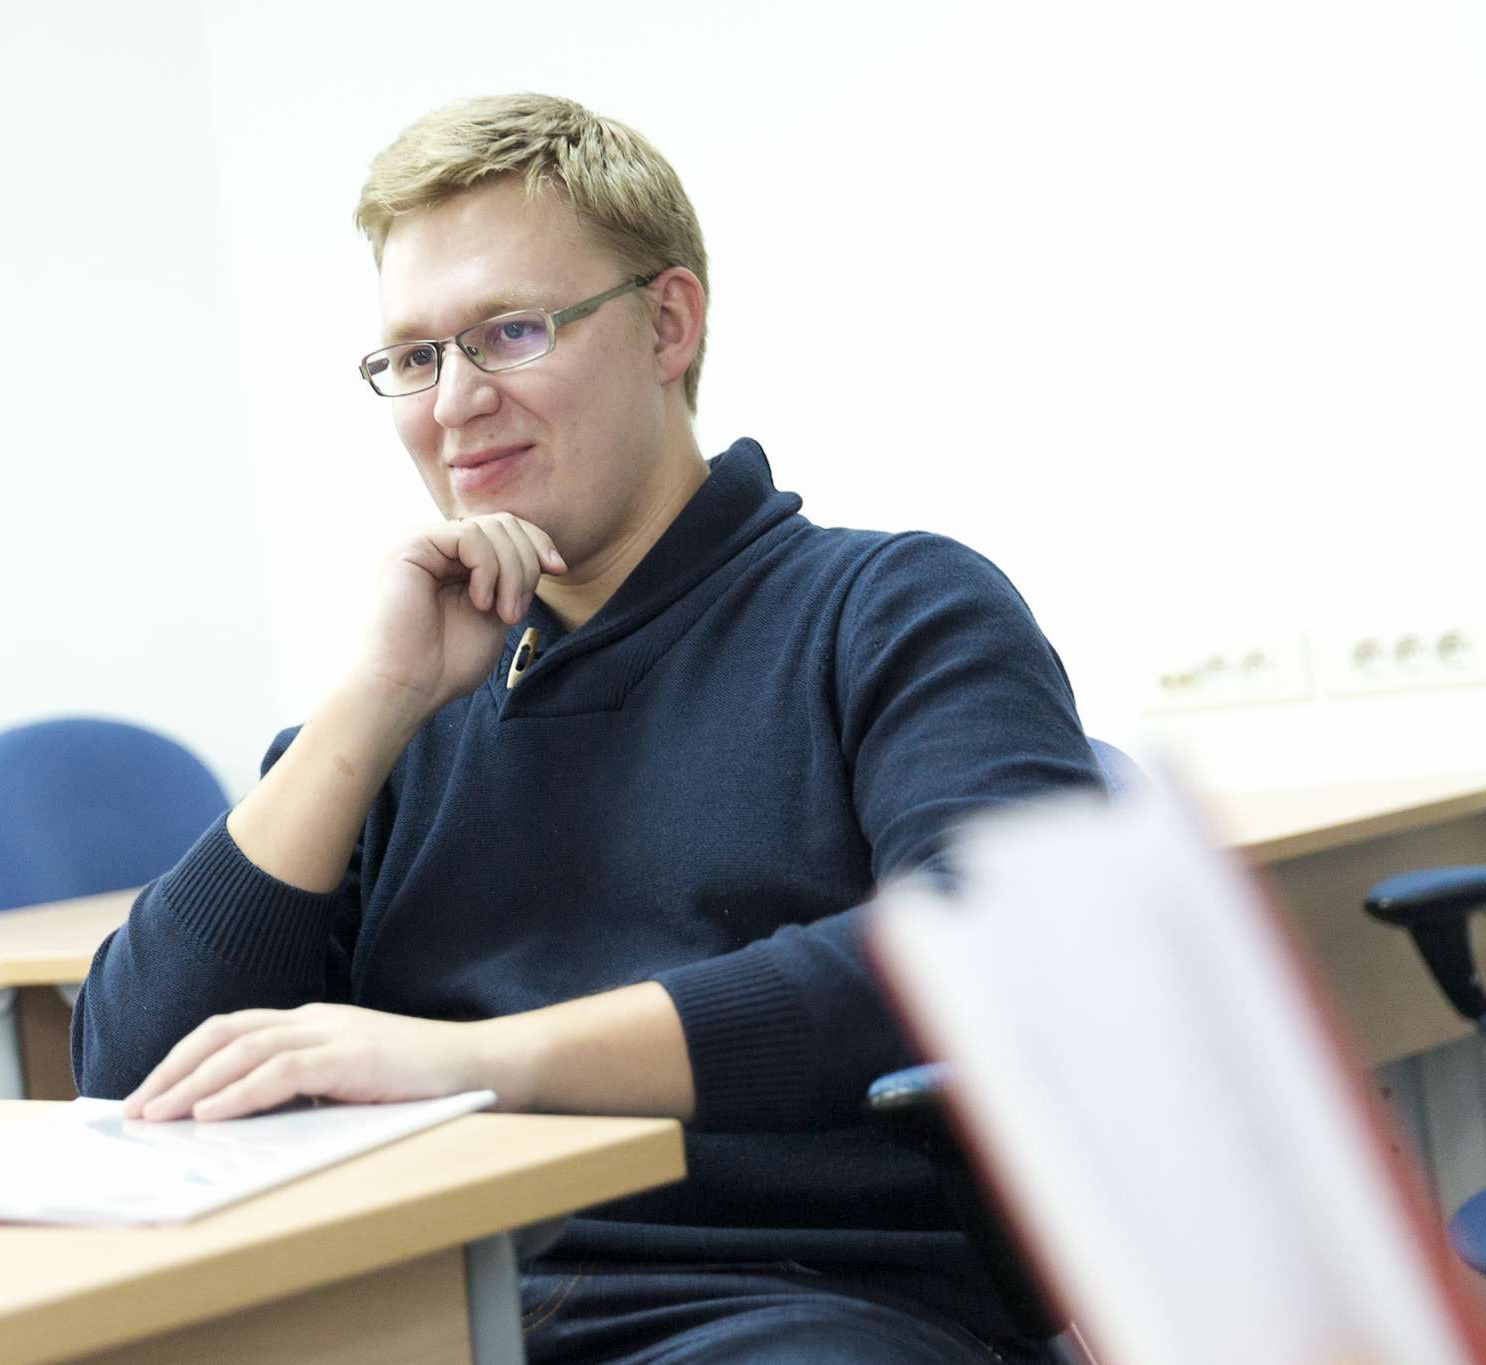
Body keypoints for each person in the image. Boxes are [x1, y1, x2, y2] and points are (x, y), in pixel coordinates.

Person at [73, 92, 1102, 1364]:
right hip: (422, 1308)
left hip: (789, 1308)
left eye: (508, 332)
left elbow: (997, 947)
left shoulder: (886, 606)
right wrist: (369, 706)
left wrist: (480, 1062)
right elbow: (128, 1080)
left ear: (668, 324)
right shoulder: (405, 708)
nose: (453, 403)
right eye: (412, 357)